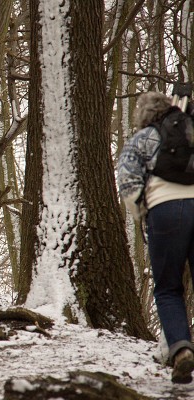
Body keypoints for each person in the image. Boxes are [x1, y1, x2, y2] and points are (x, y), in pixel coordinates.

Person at [117, 91, 194, 384]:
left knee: (167, 289)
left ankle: (181, 351)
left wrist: (140, 211)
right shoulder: (190, 129)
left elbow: (128, 179)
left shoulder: (143, 138)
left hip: (165, 210)